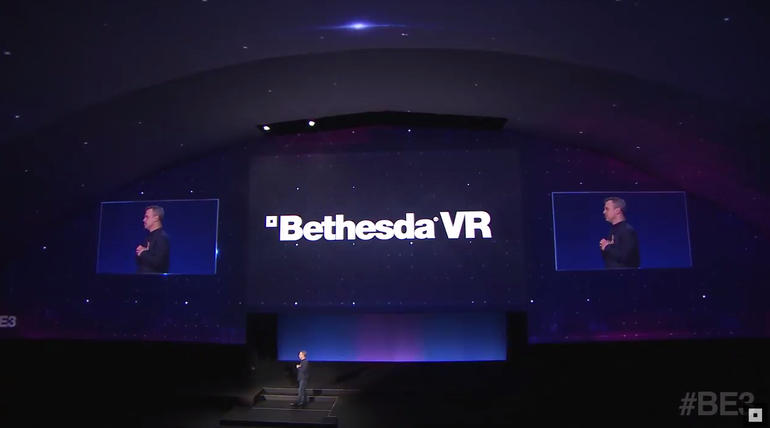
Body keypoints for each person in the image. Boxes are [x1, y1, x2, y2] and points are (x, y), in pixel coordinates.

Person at [599, 197, 640, 268]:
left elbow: (627, 257)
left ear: (617, 211)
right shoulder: (612, 231)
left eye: (607, 209)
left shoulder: (627, 231)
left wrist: (607, 247)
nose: (604, 212)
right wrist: (604, 247)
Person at [136, 205, 170, 273]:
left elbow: (158, 262)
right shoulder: (149, 237)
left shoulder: (162, 237)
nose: (143, 220)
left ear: (156, 218)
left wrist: (143, 252)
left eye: (147, 217)